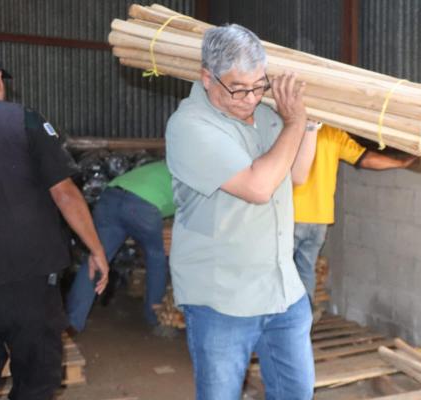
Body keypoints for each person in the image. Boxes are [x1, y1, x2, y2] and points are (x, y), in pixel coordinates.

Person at [165, 25, 317, 399]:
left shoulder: (265, 113)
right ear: (207, 77)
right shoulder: (190, 126)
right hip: (223, 300)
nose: (249, 98)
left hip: (282, 290)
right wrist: (294, 123)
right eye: (238, 88)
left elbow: (296, 174)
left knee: (296, 393)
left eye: (258, 86)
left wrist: (310, 123)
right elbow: (259, 187)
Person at [0, 44, 109, 399]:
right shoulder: (25, 121)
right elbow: (64, 192)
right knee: (36, 380)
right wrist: (96, 250)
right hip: (29, 279)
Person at [292, 126, 415, 315]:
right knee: (306, 271)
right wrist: (399, 163)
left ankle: (278, 328)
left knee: (280, 273)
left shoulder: (289, 128)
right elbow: (365, 159)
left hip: (291, 216)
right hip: (319, 220)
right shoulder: (332, 133)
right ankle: (302, 325)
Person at [66, 160, 174, 334]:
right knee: (156, 258)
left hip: (110, 197)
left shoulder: (165, 165)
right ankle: (155, 319)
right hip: (142, 207)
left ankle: (72, 321)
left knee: (96, 259)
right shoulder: (192, 177)